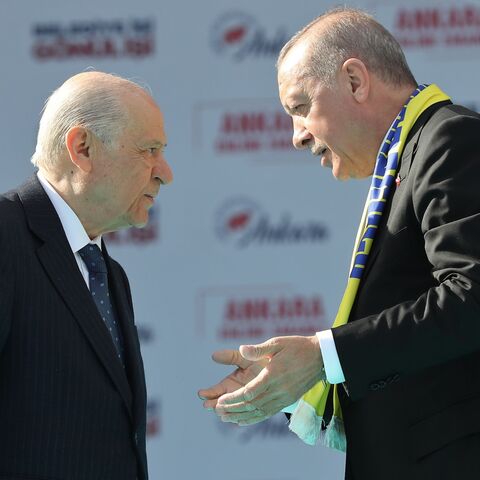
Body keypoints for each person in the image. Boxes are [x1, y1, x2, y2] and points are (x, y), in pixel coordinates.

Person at [198, 7, 480, 480]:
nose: (295, 136)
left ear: (354, 81)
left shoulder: (450, 139)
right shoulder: (409, 158)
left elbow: (471, 297)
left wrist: (325, 355)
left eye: (300, 107)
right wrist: (301, 372)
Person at [0, 71, 172, 479]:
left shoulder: (108, 272)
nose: (165, 172)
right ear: (82, 148)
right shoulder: (5, 237)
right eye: (149, 150)